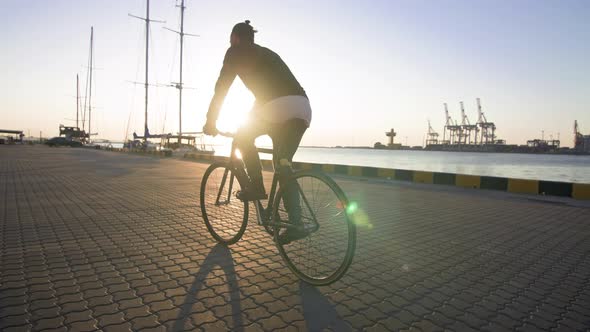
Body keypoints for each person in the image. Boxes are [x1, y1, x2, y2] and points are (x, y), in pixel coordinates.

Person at [202, 20, 312, 244]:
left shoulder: (234, 53)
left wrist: (211, 121)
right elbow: (266, 94)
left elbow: (221, 89)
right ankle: (296, 222)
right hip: (302, 106)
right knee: (282, 163)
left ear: (235, 38)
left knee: (243, 137)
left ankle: (256, 185)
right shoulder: (267, 53)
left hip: (275, 106)